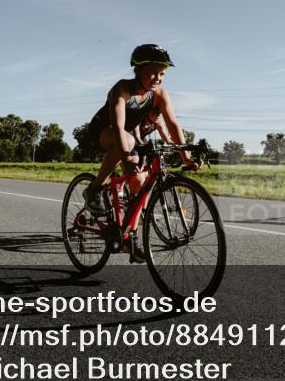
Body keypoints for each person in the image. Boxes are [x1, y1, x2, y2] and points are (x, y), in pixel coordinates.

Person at [82, 44, 199, 261]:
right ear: (137, 70)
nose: (157, 78)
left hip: (127, 136)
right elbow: (118, 127)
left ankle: (130, 238)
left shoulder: (160, 94)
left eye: (162, 73)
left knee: (139, 180)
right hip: (103, 132)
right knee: (126, 142)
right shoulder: (122, 89)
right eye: (152, 72)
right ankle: (95, 189)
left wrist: (186, 156)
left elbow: (173, 124)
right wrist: (127, 156)